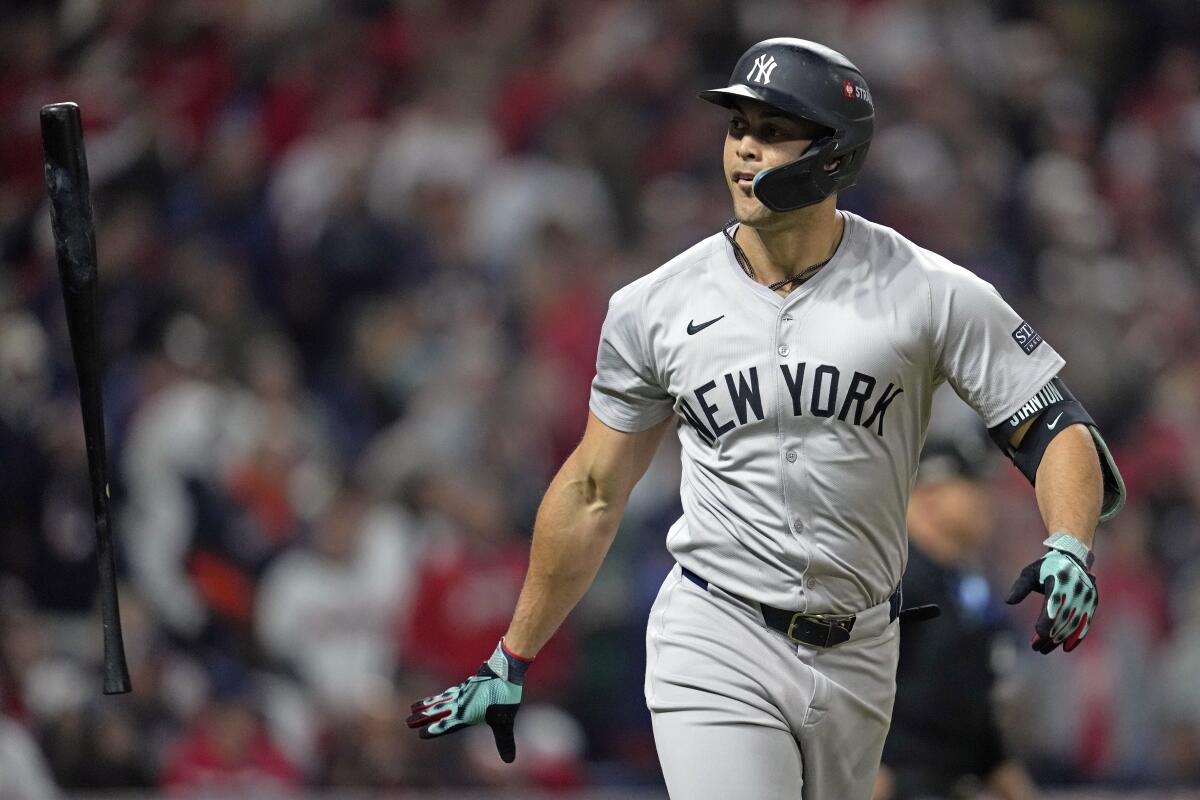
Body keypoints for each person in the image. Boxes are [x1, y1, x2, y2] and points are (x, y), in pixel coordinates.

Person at [406, 38, 1126, 799]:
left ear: (835, 154)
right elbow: (591, 489)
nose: (745, 147)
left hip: (863, 649)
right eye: (737, 127)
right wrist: (512, 655)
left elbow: (1055, 428)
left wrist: (1071, 544)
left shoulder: (928, 291)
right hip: (716, 630)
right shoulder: (655, 306)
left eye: (774, 128)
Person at [873, 428, 1036, 800]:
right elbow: (848, 687)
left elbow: (971, 714)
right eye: (970, 483)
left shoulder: (963, 587)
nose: (985, 498)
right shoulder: (893, 582)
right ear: (927, 495)